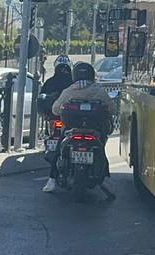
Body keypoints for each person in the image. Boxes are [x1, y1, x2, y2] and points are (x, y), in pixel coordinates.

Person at [43, 61, 115, 193]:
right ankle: (105, 177)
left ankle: (52, 179)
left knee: (59, 148)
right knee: (101, 149)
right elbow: (112, 108)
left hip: (71, 130)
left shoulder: (68, 91)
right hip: (95, 131)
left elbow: (55, 109)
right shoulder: (99, 91)